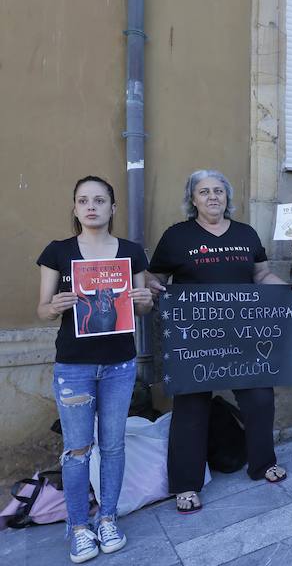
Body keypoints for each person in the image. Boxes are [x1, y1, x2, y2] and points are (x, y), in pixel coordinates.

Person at [148, 170, 292, 513]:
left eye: (218, 191)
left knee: (260, 399)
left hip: (244, 335)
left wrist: (286, 291)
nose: (212, 197)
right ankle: (185, 484)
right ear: (193, 199)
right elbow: (155, 276)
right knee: (190, 408)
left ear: (227, 197)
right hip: (195, 339)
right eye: (203, 192)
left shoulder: (245, 234)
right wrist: (152, 287)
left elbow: (261, 274)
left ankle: (262, 463)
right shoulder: (177, 236)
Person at [36, 176, 154, 563]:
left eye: (100, 200)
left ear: (112, 208)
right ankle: (79, 527)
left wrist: (145, 299)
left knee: (114, 445)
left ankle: (107, 518)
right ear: (74, 208)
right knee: (76, 450)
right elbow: (41, 309)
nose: (91, 206)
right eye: (83, 200)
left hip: (120, 362)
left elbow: (141, 309)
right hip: (74, 367)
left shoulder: (131, 252)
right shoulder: (58, 252)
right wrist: (54, 306)